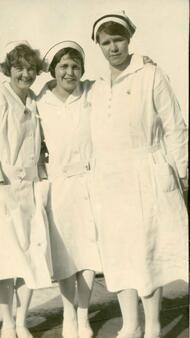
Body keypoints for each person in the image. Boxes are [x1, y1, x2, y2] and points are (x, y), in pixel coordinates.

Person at [90, 10, 188, 338]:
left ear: (129, 39)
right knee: (119, 252)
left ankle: (154, 326)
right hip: (111, 180)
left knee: (147, 253)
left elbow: (175, 126)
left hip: (146, 172)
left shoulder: (151, 74)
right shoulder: (98, 86)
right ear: (98, 46)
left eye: (118, 40)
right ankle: (130, 324)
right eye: (106, 42)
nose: (113, 48)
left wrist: (184, 171)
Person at [0, 41, 52, 338]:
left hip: (30, 189)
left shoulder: (35, 100)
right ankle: (8, 322)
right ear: (9, 69)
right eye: (19, 68)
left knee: (31, 257)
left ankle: (22, 321)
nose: (25, 74)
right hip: (2, 189)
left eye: (30, 69)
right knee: (6, 259)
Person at [37, 41, 103, 338]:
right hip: (59, 186)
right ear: (53, 70)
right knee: (65, 254)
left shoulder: (91, 93)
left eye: (75, 66)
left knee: (88, 253)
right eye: (63, 66)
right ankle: (67, 314)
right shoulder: (40, 102)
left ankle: (83, 314)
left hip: (89, 182)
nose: (70, 72)